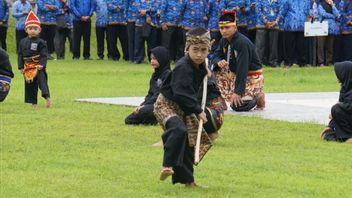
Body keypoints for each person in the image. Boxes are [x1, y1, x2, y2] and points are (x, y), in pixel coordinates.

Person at [153, 27, 212, 187]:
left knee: (188, 142)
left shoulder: (201, 64)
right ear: (187, 49)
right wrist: (198, 110)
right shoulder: (183, 66)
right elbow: (180, 92)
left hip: (184, 108)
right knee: (178, 130)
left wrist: (204, 72)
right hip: (166, 105)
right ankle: (166, 166)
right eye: (195, 50)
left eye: (203, 50)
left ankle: (188, 181)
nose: (199, 54)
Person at [212, 11, 265, 111]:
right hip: (235, 75)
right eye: (221, 28)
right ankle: (221, 99)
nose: (224, 31)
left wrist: (238, 92)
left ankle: (258, 96)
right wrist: (218, 62)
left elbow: (242, 68)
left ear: (235, 28)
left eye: (227, 27)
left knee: (239, 106)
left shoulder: (241, 42)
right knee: (214, 70)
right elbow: (215, 56)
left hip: (252, 77)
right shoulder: (224, 40)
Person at [125, 46, 170, 125]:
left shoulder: (168, 75)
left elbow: (160, 95)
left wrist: (144, 106)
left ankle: (156, 118)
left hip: (163, 105)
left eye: (155, 59)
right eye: (151, 59)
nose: (152, 61)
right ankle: (152, 120)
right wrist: (142, 105)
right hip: (151, 104)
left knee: (143, 111)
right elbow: (150, 93)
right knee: (129, 119)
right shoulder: (154, 75)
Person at [18, 10, 51, 108]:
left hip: (38, 66)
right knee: (30, 85)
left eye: (35, 28)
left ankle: (47, 98)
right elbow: (20, 54)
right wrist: (20, 66)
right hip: (27, 67)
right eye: (30, 28)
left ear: (39, 30)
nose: (33, 30)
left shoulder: (41, 42)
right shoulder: (22, 41)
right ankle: (33, 103)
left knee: (42, 83)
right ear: (26, 30)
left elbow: (44, 55)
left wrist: (41, 64)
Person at [320, 61, 352, 143]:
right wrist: (330, 126)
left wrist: (336, 111)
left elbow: (346, 109)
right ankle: (346, 138)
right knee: (327, 136)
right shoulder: (345, 89)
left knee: (336, 108)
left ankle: (348, 136)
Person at [317, 0, 341, 66]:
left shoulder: (334, 5)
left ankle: (329, 61)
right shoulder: (320, 5)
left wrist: (333, 6)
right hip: (322, 27)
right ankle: (321, 62)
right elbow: (323, 14)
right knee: (321, 46)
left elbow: (338, 14)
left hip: (331, 28)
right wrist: (333, 16)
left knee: (330, 46)